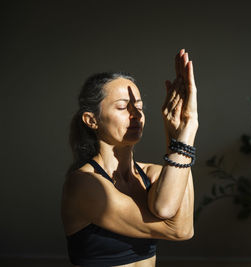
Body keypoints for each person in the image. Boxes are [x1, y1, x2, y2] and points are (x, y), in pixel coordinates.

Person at [61, 49, 198, 267]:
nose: (136, 113)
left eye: (140, 107)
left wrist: (179, 132)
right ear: (91, 120)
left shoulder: (154, 174)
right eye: (123, 107)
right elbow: (178, 230)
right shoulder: (84, 183)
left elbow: (171, 214)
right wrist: (190, 128)